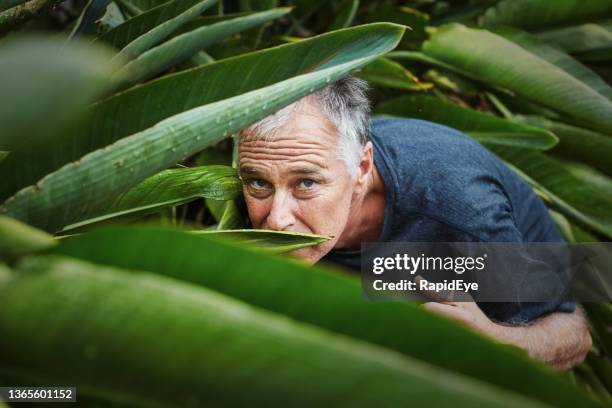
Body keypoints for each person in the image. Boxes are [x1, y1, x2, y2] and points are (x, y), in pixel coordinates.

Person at [237, 76, 592, 369]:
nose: (276, 220)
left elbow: (572, 335)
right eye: (258, 183)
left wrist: (497, 343)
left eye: (307, 184)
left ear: (361, 169)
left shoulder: (462, 214)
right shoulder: (263, 178)